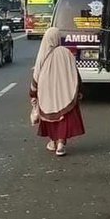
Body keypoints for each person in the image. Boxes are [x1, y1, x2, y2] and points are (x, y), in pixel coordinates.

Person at [30, 27, 84, 157]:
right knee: (63, 115)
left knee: (51, 116)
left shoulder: (43, 53)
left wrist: (33, 92)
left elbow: (36, 75)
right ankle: (60, 144)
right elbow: (74, 72)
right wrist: (79, 89)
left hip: (46, 91)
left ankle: (53, 142)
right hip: (65, 90)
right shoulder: (66, 52)